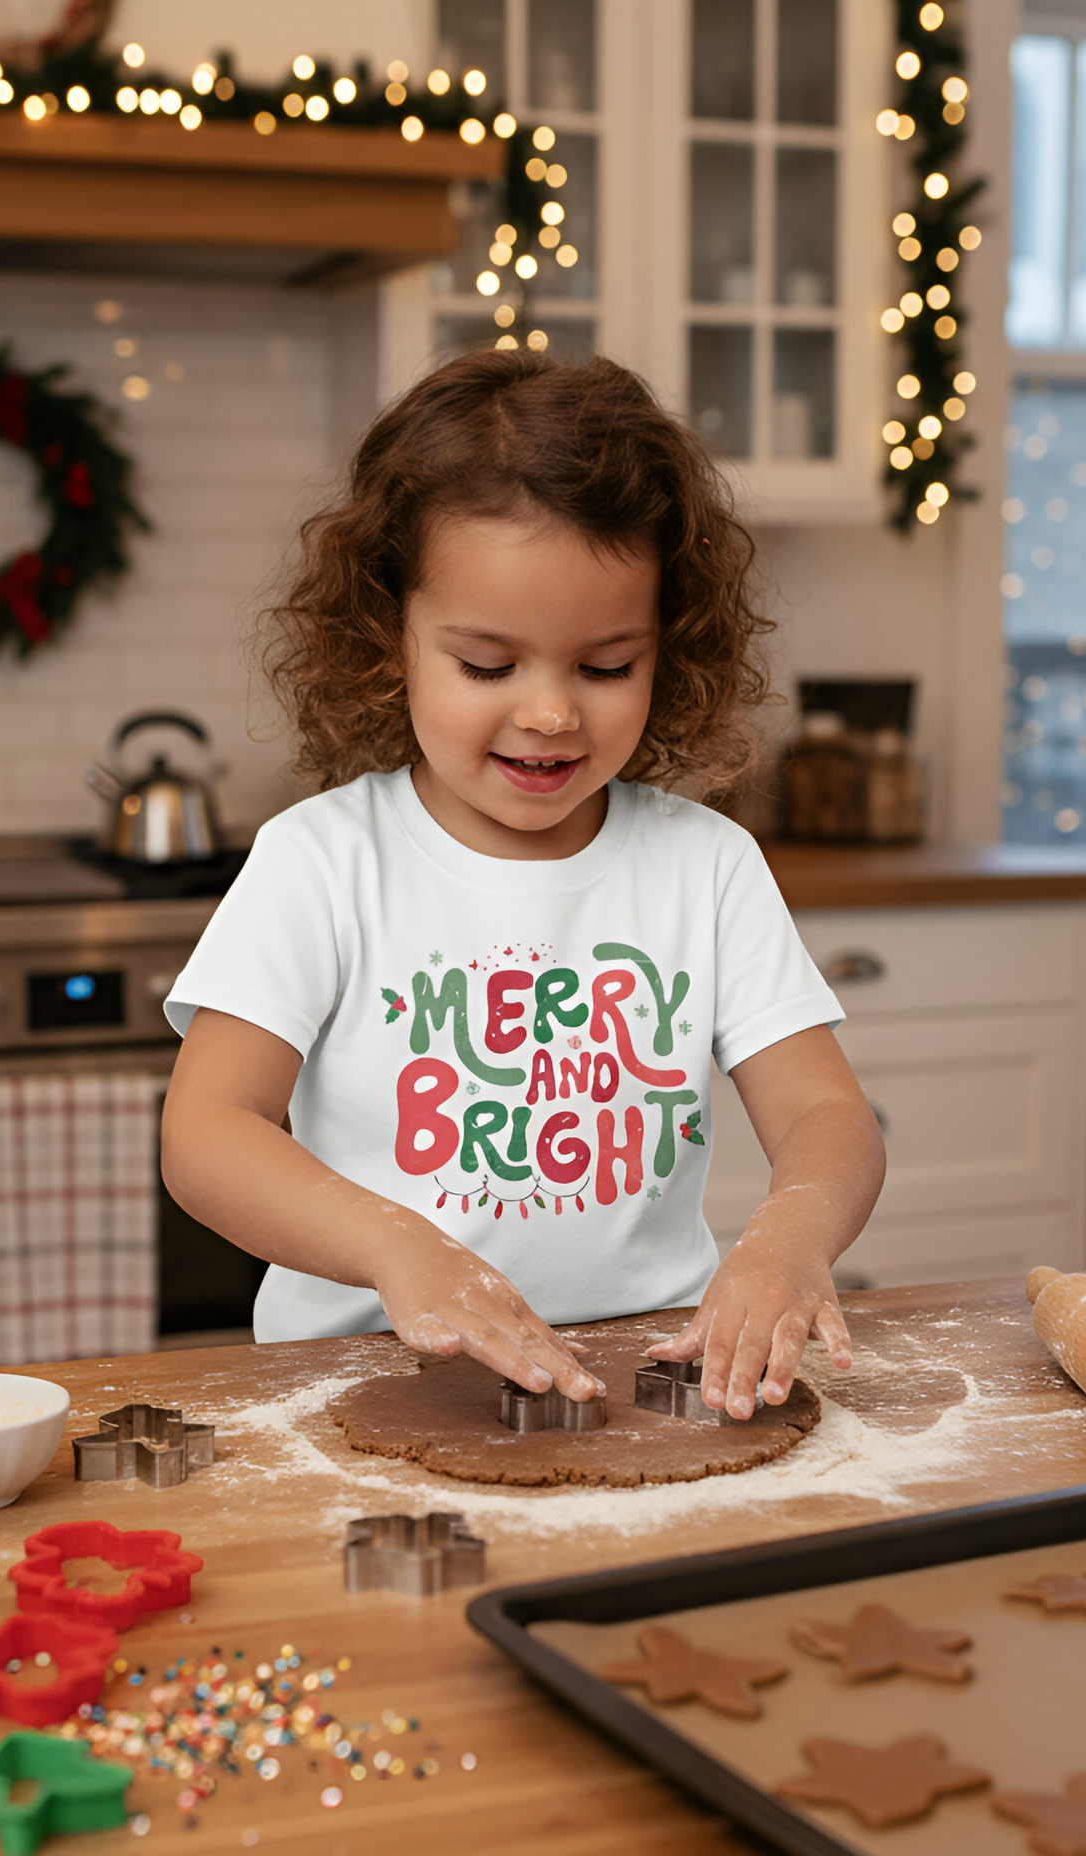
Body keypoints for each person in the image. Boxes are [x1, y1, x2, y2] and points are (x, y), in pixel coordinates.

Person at [160, 351, 885, 1421]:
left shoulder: (705, 865)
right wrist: (397, 1248)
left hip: (643, 1383)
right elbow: (207, 1131)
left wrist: (785, 1241)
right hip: (359, 1380)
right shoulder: (320, 860)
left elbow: (830, 1113)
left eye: (603, 667)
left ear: (667, 648)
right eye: (487, 665)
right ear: (387, 638)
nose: (549, 714)